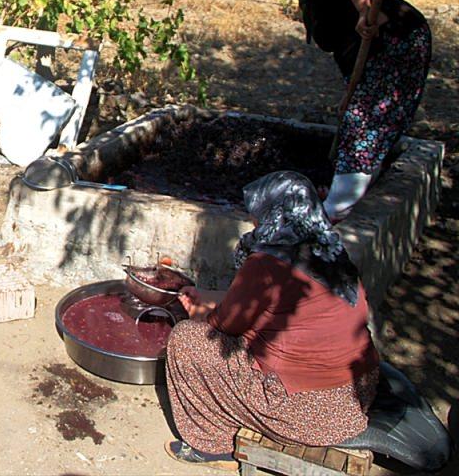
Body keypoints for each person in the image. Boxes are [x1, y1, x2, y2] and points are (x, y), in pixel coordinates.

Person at [163, 171, 380, 470]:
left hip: (309, 414)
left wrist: (198, 311)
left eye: (258, 214)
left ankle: (211, 446)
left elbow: (224, 327)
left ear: (275, 213)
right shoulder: (328, 249)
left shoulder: (268, 263)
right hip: (359, 391)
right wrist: (206, 293)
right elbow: (274, 306)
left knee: (187, 341)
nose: (254, 222)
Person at [274, 0, 432, 220]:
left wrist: (364, 10)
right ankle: (351, 188)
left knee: (363, 123)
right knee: (361, 119)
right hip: (377, 56)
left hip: (395, 43)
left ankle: (337, 207)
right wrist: (351, 89)